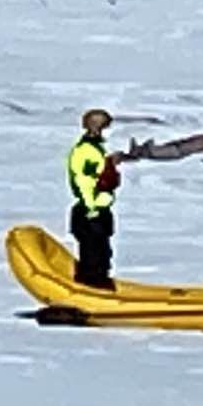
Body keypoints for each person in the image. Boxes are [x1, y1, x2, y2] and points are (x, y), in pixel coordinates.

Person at [67, 108, 121, 289]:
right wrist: (92, 208)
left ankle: (99, 283)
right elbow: (85, 182)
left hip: (99, 210)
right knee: (93, 255)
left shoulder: (95, 150)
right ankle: (91, 287)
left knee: (103, 254)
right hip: (90, 212)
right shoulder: (86, 151)